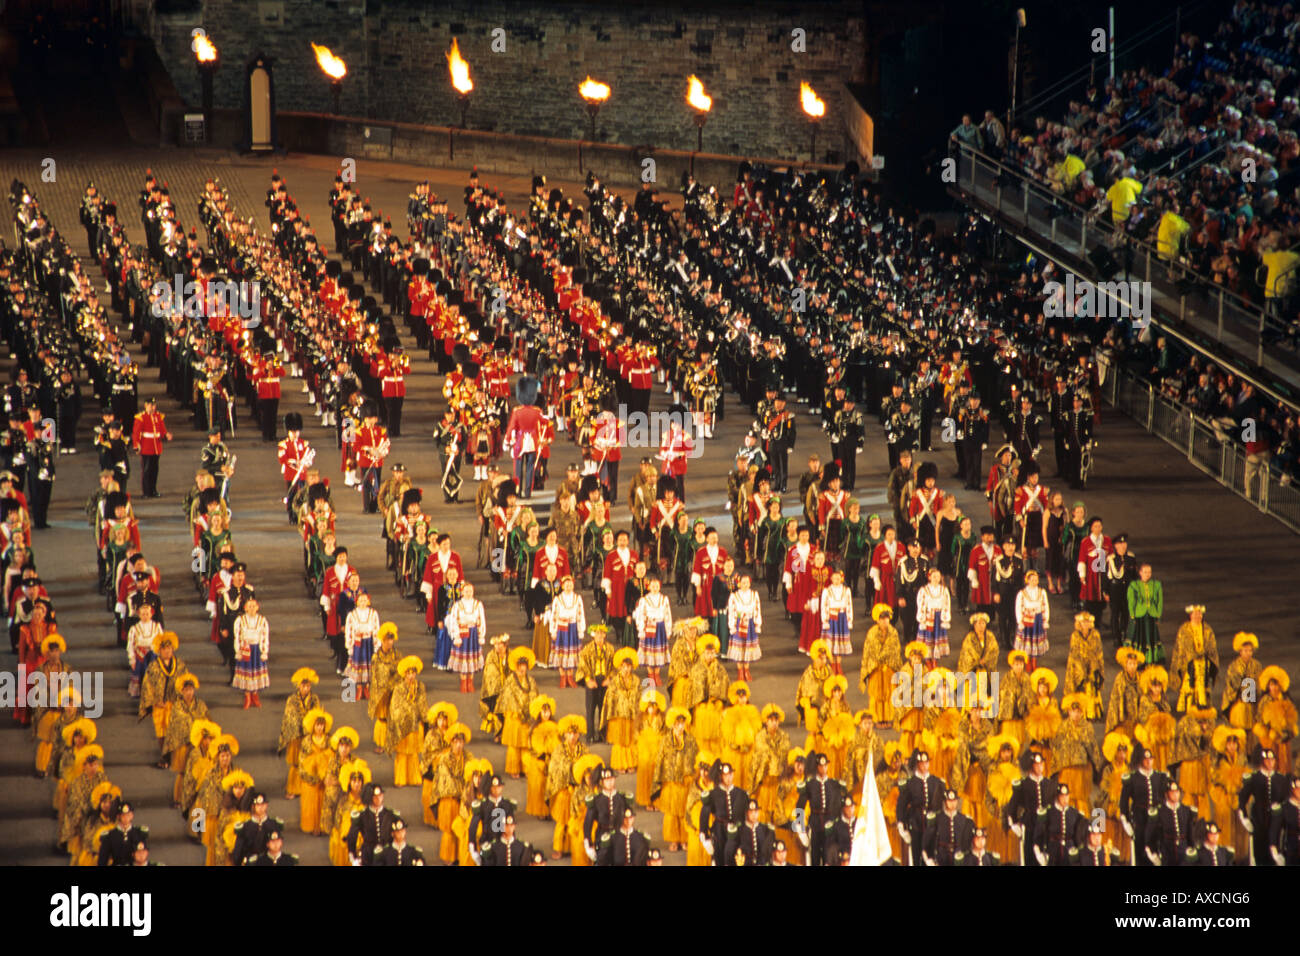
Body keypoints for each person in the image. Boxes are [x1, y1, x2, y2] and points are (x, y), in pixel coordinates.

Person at [232, 596, 269, 709]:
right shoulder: (240, 620)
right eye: (249, 606)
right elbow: (237, 636)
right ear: (245, 608)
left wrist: (264, 651)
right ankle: (247, 695)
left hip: (257, 649)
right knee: (247, 672)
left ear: (257, 607)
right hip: (245, 650)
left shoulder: (262, 620)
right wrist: (238, 651)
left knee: (255, 671)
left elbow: (265, 636)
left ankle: (255, 694)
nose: (252, 608)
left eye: (254, 606)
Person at [130, 396, 171, 497]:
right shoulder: (141, 417)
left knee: (154, 470)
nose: (152, 407)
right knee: (146, 471)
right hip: (146, 447)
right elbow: (136, 433)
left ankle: (153, 490)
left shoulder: (158, 416)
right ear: (145, 406)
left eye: (153, 405)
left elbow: (162, 430)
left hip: (156, 447)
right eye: (150, 405)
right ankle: (146, 492)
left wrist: (166, 435)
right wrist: (136, 445)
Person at [1126, 562, 1164, 665]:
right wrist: (1132, 615)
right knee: (1139, 637)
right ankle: (1138, 658)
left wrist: (1158, 615)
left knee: (1151, 637)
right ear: (1140, 573)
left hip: (1151, 615)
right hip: (1139, 616)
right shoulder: (1134, 585)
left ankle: (1151, 659)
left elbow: (1159, 602)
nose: (1147, 574)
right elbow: (1131, 601)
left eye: (1149, 572)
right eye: (1145, 572)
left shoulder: (1156, 585)